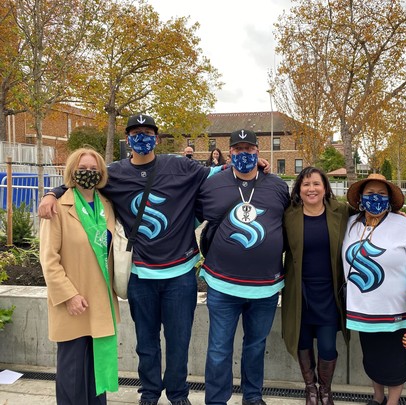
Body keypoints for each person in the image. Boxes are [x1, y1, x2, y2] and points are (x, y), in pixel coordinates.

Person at [38, 114, 227, 405]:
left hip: (180, 276)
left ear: (157, 137)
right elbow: (82, 181)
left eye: (148, 132)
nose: (142, 137)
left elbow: (219, 174)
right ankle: (149, 393)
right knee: (147, 345)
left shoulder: (179, 165)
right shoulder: (114, 174)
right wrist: (52, 192)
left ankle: (178, 395)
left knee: (179, 343)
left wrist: (257, 168)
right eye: (135, 132)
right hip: (141, 275)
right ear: (128, 139)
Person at [195, 129, 290, 405]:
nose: (244, 155)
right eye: (238, 150)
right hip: (222, 285)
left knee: (255, 347)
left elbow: (290, 222)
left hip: (265, 288)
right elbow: (190, 214)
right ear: (230, 153)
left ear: (258, 153)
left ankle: (252, 397)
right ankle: (216, 400)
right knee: (218, 350)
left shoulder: (277, 185)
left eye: (250, 150)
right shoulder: (213, 183)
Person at [40, 148, 119, 405]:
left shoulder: (107, 205)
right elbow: (49, 259)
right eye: (83, 168)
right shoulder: (57, 208)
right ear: (73, 171)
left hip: (100, 302)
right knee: (73, 377)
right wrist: (69, 295)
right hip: (73, 302)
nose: (89, 173)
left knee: (98, 376)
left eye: (94, 169)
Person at [342, 173, 406, 405]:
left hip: (396, 310)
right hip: (362, 308)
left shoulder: (405, 226)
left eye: (381, 194)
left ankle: (393, 401)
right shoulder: (350, 224)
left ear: (390, 199)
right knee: (373, 357)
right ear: (360, 198)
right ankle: (378, 397)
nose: (375, 199)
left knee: (396, 360)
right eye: (370, 194)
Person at [281, 166, 352, 405]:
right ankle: (310, 390)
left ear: (325, 188)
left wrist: (398, 213)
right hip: (299, 292)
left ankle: (326, 390)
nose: (311, 189)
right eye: (306, 184)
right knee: (302, 342)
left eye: (316, 184)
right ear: (299, 189)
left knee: (328, 346)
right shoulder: (289, 215)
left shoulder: (340, 211)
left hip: (329, 293)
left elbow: (369, 218)